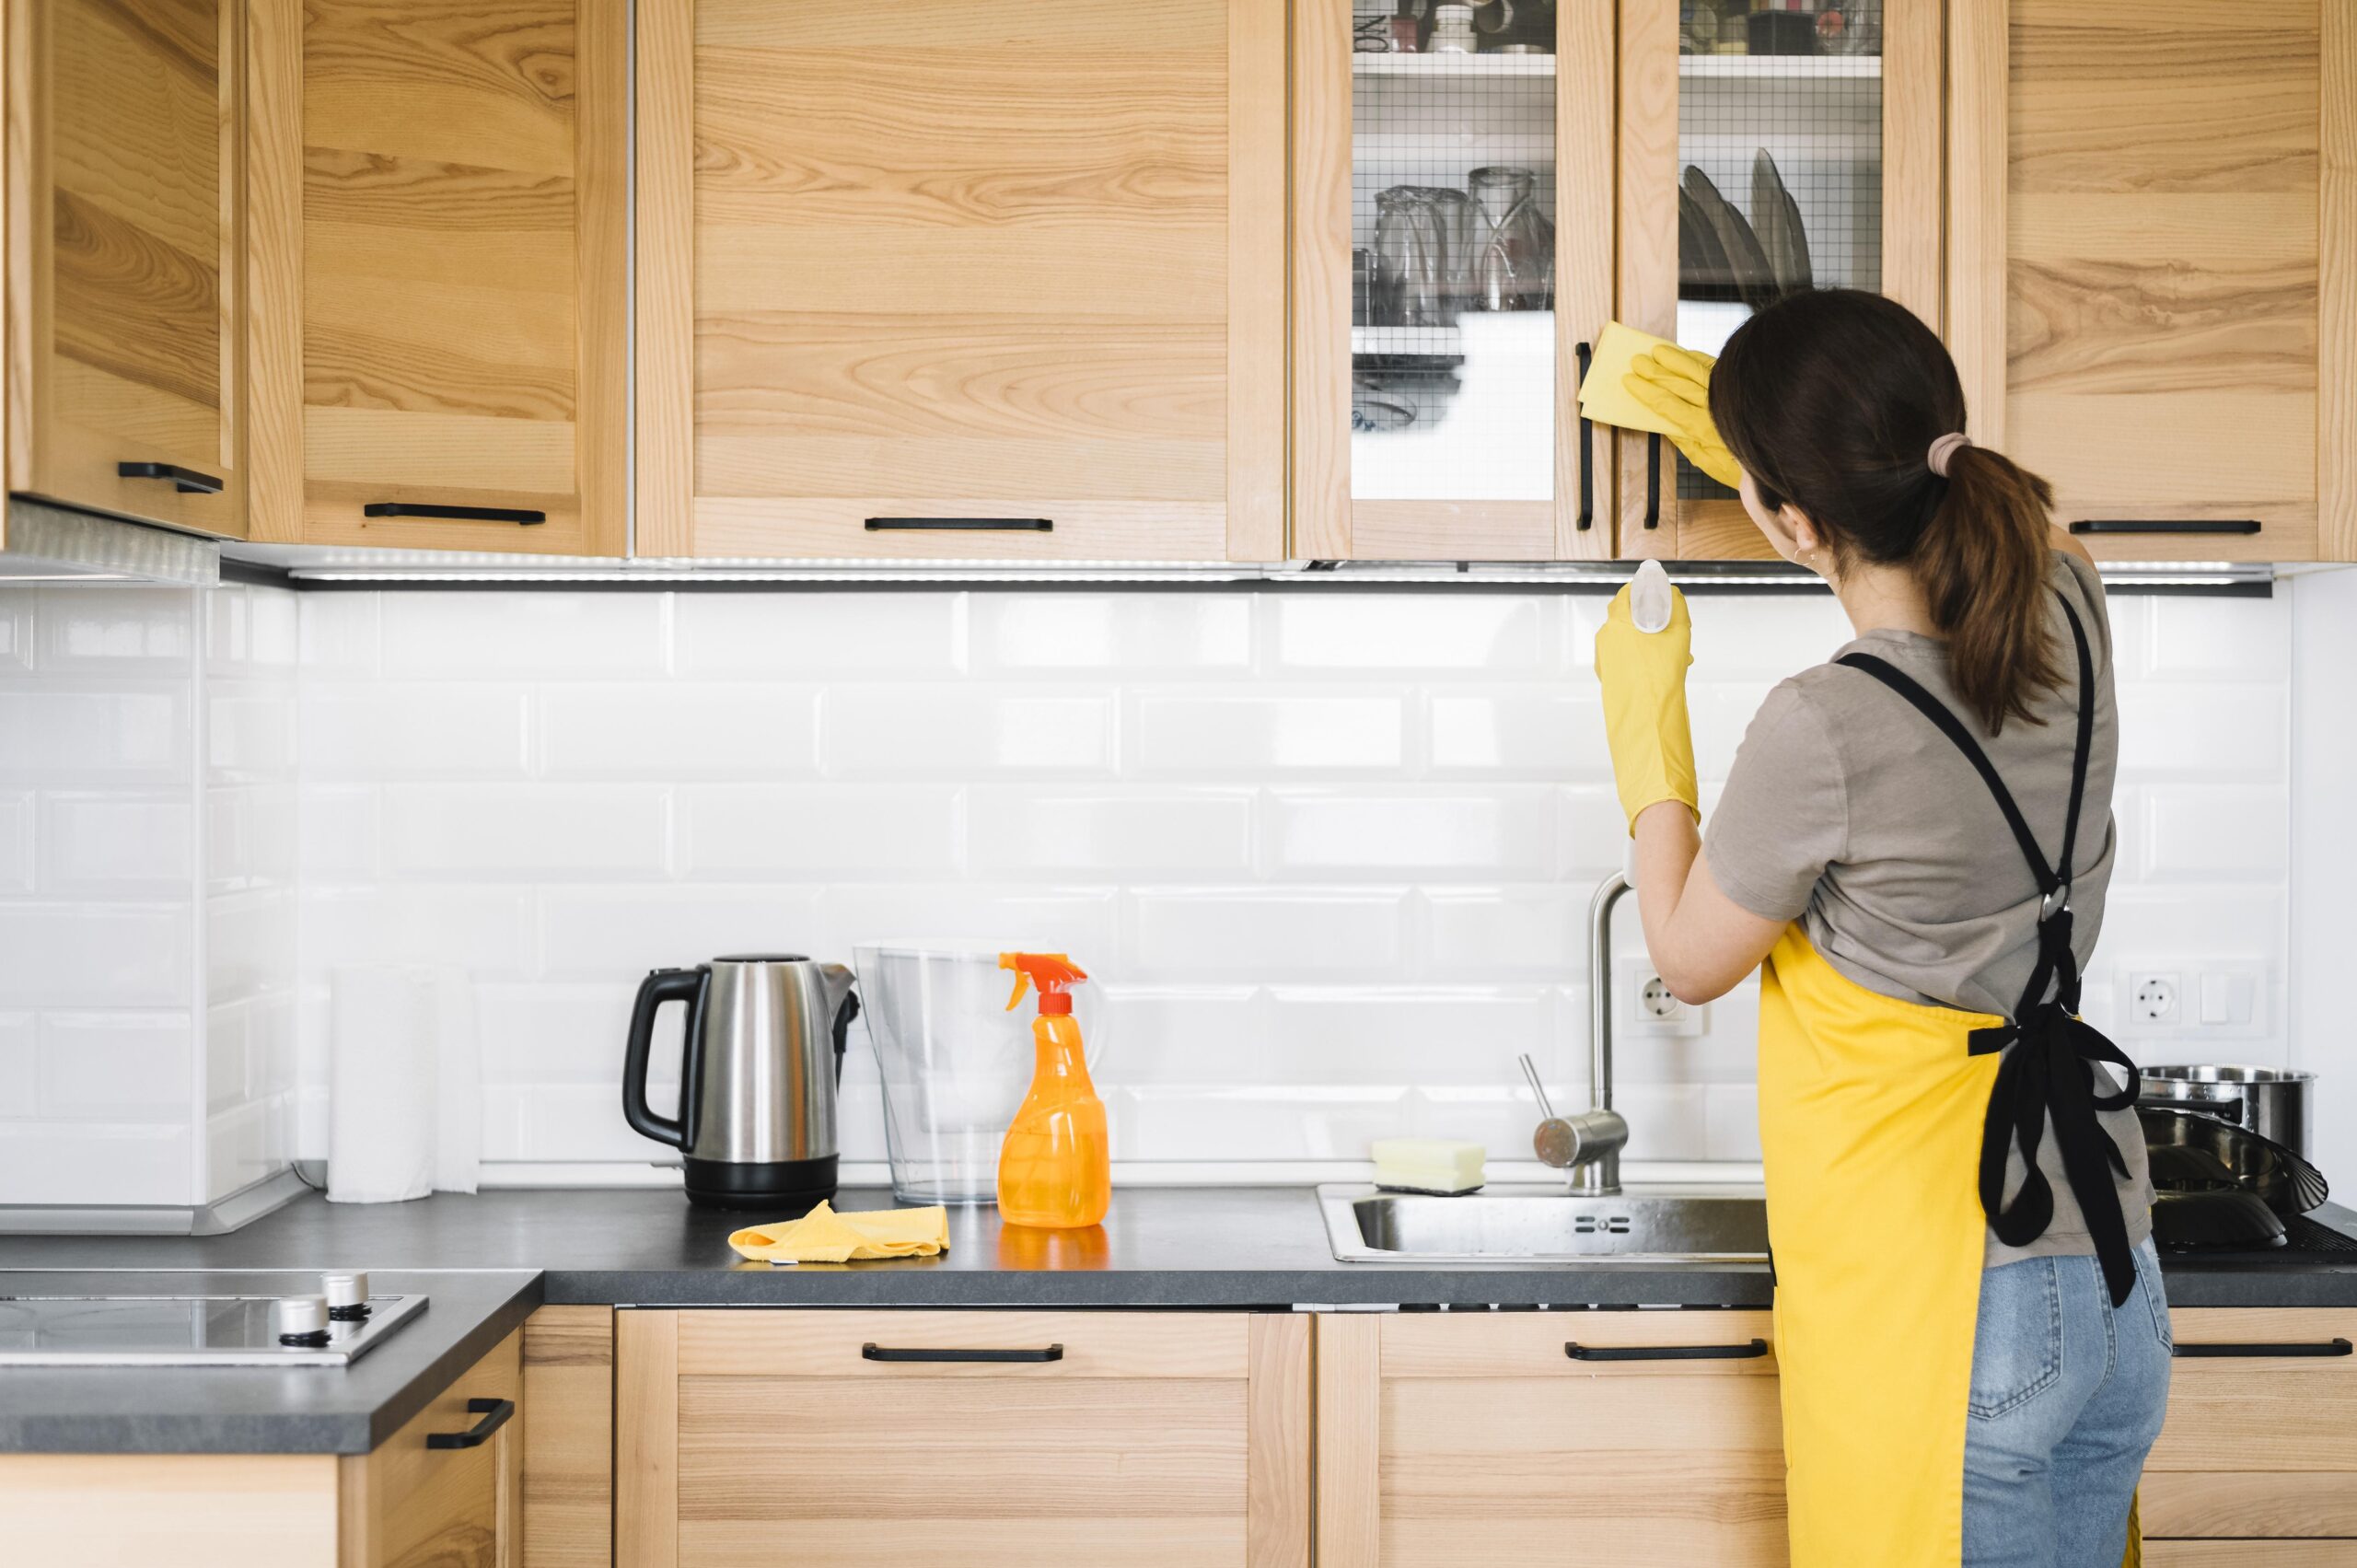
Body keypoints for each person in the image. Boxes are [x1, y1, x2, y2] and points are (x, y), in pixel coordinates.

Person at [1595, 289, 2167, 1568]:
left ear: (1793, 520)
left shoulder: (1826, 725)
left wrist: (1646, 734)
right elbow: (1989, 506)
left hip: (1954, 1303)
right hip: (2110, 1270)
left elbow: (1687, 958)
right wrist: (1794, 452)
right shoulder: (2072, 602)